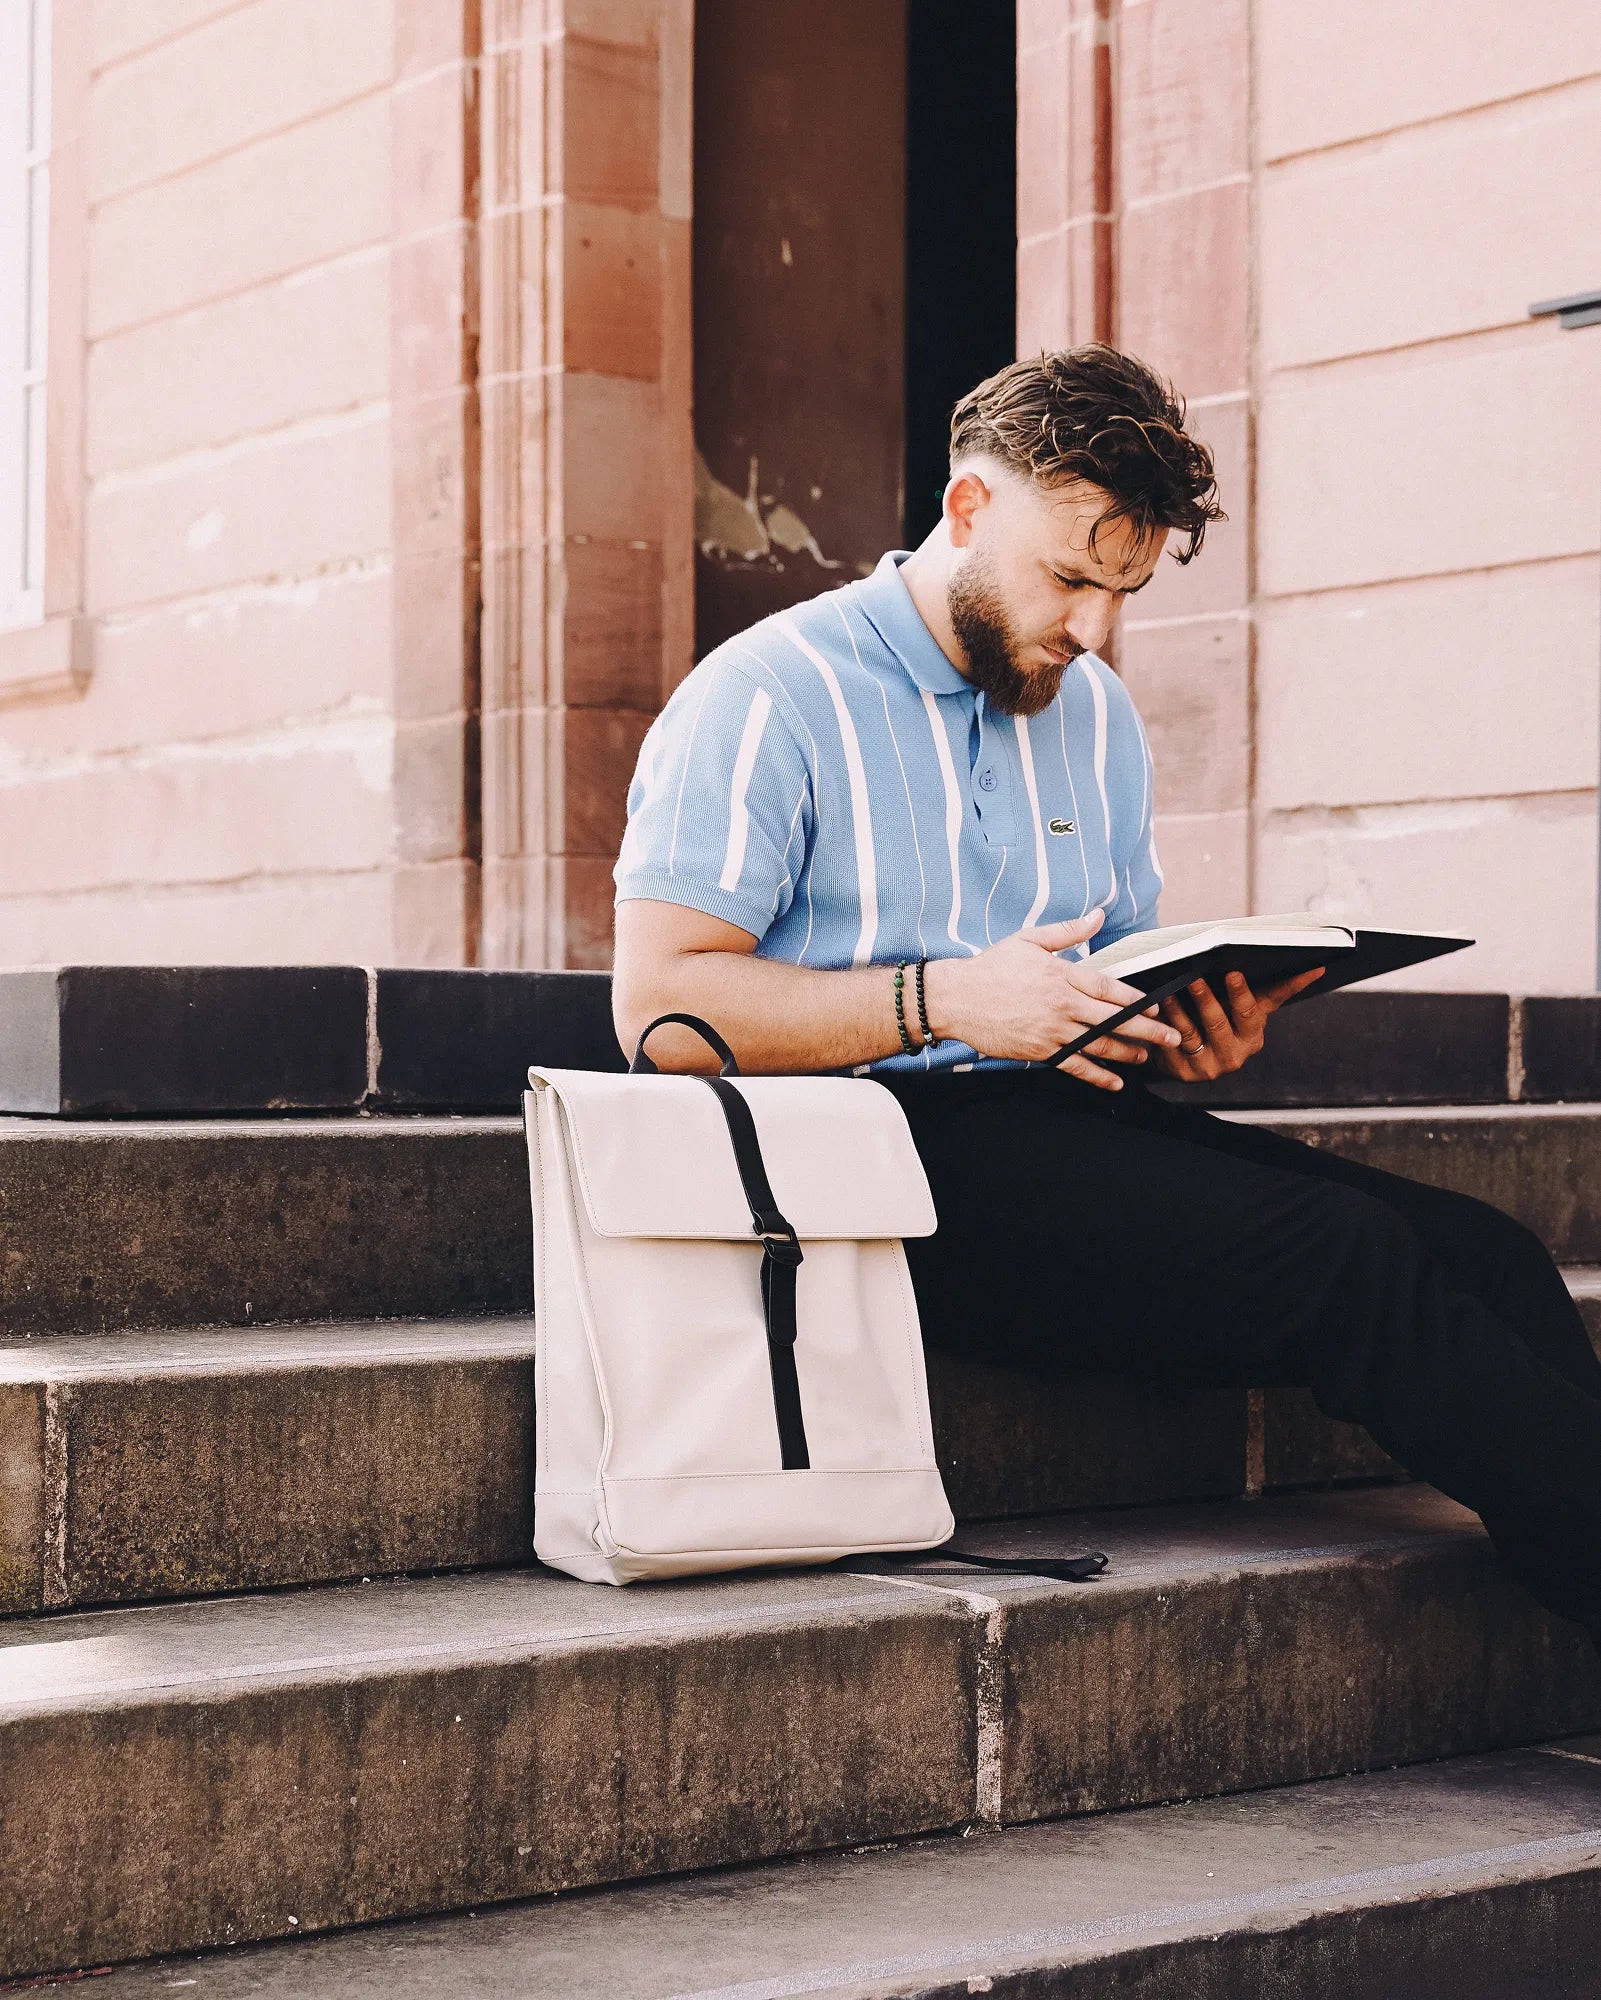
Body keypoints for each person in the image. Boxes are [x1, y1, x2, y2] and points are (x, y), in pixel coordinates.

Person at [610, 343, 1601, 1649]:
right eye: (1070, 577)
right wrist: (946, 1003)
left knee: (1490, 1250)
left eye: (1122, 590)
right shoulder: (761, 696)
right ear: (967, 511)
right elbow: (658, 1011)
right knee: (1348, 1262)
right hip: (863, 1171)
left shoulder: (1094, 715)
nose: (1091, 629)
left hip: (1065, 1138)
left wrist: (1183, 1035)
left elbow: (1105, 983)